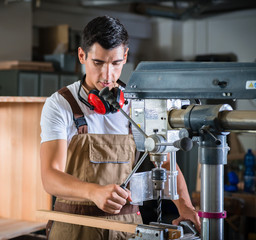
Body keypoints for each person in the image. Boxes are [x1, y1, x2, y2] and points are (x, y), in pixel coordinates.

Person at [40, 15, 200, 240]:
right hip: (75, 228)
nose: (107, 76)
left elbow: (164, 160)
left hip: (128, 229)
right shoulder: (61, 104)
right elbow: (50, 176)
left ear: (125, 57)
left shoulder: (138, 105)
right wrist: (93, 192)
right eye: (98, 63)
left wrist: (185, 206)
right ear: (82, 55)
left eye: (115, 63)